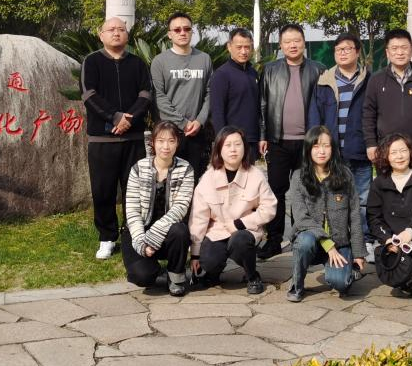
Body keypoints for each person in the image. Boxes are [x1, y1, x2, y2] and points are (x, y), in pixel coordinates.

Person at [81, 17, 153, 260]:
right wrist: (115, 117)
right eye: (110, 29)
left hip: (133, 138)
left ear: (127, 35)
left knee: (135, 190)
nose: (116, 33)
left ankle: (133, 234)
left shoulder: (137, 63)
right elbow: (88, 94)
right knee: (103, 190)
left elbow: (146, 94)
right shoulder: (92, 61)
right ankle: (107, 237)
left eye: (121, 29)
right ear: (101, 35)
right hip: (102, 140)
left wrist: (129, 119)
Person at [258, 24, 326, 259]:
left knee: (306, 191)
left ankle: (303, 238)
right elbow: (263, 105)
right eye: (287, 42)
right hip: (278, 142)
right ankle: (274, 239)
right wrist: (263, 136)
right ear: (281, 45)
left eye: (297, 40)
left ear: (304, 42)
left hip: (308, 144)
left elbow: (323, 104)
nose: (292, 45)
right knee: (275, 191)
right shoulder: (270, 70)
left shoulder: (318, 69)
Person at [189, 126, 277, 294]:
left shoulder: (255, 175)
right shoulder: (208, 178)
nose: (233, 149)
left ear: (245, 147)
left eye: (237, 144)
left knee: (240, 241)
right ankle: (213, 274)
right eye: (227, 145)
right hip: (217, 231)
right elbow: (199, 217)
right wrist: (195, 254)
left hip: (245, 230)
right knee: (209, 260)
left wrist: (240, 223)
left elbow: (270, 207)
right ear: (219, 149)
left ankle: (252, 275)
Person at [286, 125, 366, 302]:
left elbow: (354, 214)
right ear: (308, 149)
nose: (321, 151)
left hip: (339, 242)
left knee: (341, 283)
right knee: (305, 241)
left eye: (326, 146)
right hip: (312, 242)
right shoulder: (298, 177)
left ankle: (348, 270)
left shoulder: (345, 175)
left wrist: (359, 253)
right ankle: (296, 285)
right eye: (316, 146)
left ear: (333, 148)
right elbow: (301, 218)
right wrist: (327, 244)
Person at [308, 33, 372, 242]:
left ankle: (364, 241)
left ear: (357, 51)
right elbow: (315, 118)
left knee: (362, 198)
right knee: (334, 199)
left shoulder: (369, 80)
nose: (342, 53)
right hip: (332, 154)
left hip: (360, 151)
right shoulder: (324, 82)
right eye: (338, 50)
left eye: (347, 48)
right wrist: (318, 148)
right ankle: (337, 241)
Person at [122, 121, 195, 296]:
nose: (166, 146)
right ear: (153, 142)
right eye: (161, 141)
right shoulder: (138, 168)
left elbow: (180, 208)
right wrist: (141, 242)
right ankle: (155, 269)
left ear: (177, 143)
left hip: (168, 231)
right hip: (140, 231)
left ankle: (176, 276)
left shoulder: (186, 169)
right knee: (142, 276)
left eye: (171, 141)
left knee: (180, 231)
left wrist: (154, 236)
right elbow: (132, 211)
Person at [366, 134, 412, 305]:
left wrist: (411, 232)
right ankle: (405, 279)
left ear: (411, 152)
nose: (399, 156)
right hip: (393, 239)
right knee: (395, 272)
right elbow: (374, 217)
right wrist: (387, 239)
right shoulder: (379, 184)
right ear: (386, 156)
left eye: (403, 151)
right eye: (393, 152)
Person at [362, 29, 412, 164]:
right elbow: (368, 114)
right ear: (387, 52)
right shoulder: (376, 80)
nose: (400, 52)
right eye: (394, 48)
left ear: (411, 51)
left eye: (404, 48)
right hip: (387, 149)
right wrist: (371, 143)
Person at [150, 12, 213, 178]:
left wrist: (199, 121)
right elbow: (159, 97)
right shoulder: (159, 61)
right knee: (167, 179)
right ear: (169, 34)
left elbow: (209, 93)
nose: (182, 33)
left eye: (187, 29)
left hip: (197, 132)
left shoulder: (204, 59)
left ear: (192, 31)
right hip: (169, 133)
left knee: (194, 180)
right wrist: (183, 123)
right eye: (177, 30)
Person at [208, 28, 261, 156]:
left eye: (247, 47)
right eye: (239, 47)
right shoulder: (221, 75)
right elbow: (217, 112)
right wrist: (223, 141)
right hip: (232, 142)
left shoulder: (252, 72)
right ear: (229, 47)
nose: (243, 51)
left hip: (252, 139)